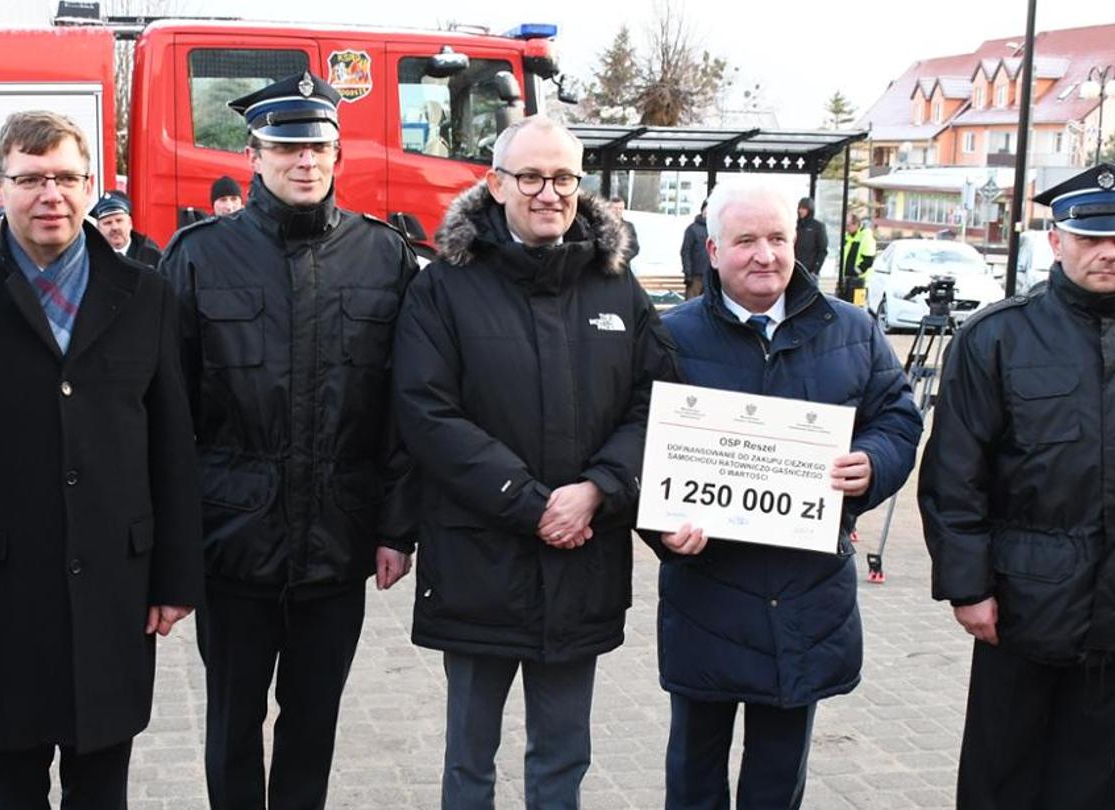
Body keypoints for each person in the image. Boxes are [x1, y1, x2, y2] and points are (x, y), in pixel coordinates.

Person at [0, 109, 204, 807]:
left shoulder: (146, 296)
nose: (51, 195)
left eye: (67, 177)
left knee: (102, 790)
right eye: (30, 179)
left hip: (114, 594)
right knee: (11, 790)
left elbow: (171, 446)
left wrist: (176, 576)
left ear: (92, 184)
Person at [918, 163, 1115, 810]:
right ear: (1056, 241)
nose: (1107, 253)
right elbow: (955, 475)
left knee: (1089, 772)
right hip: (1021, 593)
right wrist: (968, 585)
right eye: (1089, 238)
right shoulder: (998, 337)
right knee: (1001, 767)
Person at [393, 115, 676, 809]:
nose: (548, 192)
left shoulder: (617, 287)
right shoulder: (445, 286)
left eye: (563, 178)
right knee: (469, 761)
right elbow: (425, 410)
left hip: (582, 562)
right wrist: (531, 502)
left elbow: (656, 398)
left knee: (562, 757)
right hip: (479, 562)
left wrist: (600, 489)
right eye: (530, 177)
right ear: (495, 184)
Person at [156, 71, 418, 810]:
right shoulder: (199, 256)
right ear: (254, 153)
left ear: (338, 155)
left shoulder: (384, 256)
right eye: (287, 147)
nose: (305, 162)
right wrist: (179, 541)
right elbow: (169, 410)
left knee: (314, 724)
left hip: (337, 545)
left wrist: (397, 526)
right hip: (232, 544)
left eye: (319, 147)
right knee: (233, 724)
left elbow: (405, 406)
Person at [656, 182, 921, 809]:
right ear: (714, 250)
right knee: (694, 771)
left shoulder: (853, 330)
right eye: (746, 241)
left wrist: (875, 463)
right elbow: (636, 438)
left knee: (779, 775)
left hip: (805, 592)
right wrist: (659, 527)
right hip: (708, 589)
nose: (765, 255)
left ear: (796, 243)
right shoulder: (670, 336)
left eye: (777, 238)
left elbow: (898, 418)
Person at [91, 191, 162, 266]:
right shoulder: (90, 257)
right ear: (98, 228)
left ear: (130, 223)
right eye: (108, 223)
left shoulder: (152, 256)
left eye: (119, 220)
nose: (115, 227)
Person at [838, 214, 876, 304]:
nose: (846, 228)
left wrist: (855, 272)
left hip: (859, 282)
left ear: (856, 224)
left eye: (848, 225)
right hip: (846, 280)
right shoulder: (848, 236)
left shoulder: (865, 236)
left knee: (857, 307)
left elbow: (868, 261)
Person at [679, 200, 709, 298]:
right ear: (702, 210)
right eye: (707, 208)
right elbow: (685, 252)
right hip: (695, 276)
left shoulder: (716, 229)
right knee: (691, 305)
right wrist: (688, 274)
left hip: (711, 276)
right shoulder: (692, 229)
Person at [794, 195, 829, 278]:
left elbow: (823, 250)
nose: (800, 211)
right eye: (800, 208)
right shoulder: (796, 225)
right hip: (795, 270)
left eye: (803, 208)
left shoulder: (818, 226)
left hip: (810, 273)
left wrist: (815, 271)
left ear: (809, 210)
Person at [608, 196, 641, 267]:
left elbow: (635, 248)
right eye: (615, 208)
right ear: (609, 209)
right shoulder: (603, 226)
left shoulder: (629, 227)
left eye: (620, 208)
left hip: (623, 266)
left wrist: (620, 259)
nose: (618, 211)